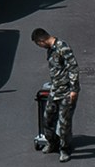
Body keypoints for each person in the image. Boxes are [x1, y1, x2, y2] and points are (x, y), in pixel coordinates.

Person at [31, 25, 80, 157]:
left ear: (41, 41)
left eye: (38, 45)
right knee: (47, 120)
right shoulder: (50, 50)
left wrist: (73, 90)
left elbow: (73, 68)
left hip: (66, 92)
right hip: (55, 91)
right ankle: (52, 143)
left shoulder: (62, 47)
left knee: (64, 124)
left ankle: (64, 149)